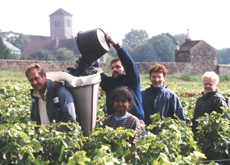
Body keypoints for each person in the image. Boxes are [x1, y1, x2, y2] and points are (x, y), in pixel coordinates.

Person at [100, 33, 145, 125]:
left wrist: (116, 45)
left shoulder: (132, 80)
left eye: (117, 67)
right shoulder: (109, 83)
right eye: (112, 68)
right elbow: (95, 70)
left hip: (135, 122)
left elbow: (129, 64)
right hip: (114, 123)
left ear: (124, 68)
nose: (114, 70)